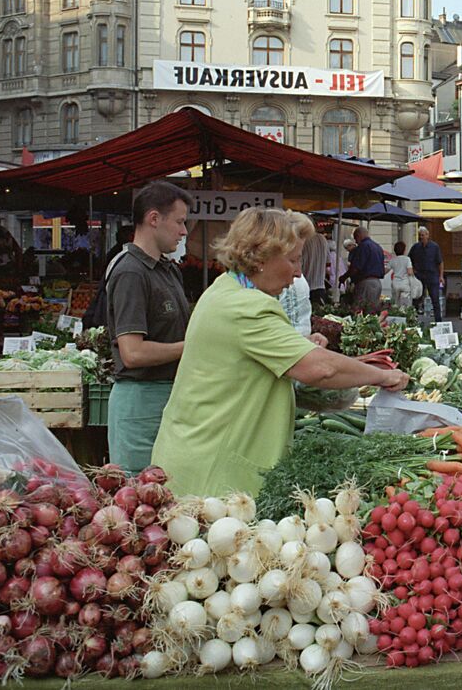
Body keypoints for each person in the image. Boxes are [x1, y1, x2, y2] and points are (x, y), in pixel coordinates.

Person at [153, 209, 408, 497]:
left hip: (196, 454)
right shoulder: (247, 308)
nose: (299, 271)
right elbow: (322, 369)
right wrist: (383, 375)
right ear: (261, 258)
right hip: (212, 471)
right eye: (294, 259)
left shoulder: (224, 289)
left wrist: (299, 347)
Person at [105, 182, 193, 472]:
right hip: (140, 403)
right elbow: (133, 353)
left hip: (169, 397)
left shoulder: (168, 270)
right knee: (140, 493)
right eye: (180, 222)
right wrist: (193, 346)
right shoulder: (131, 271)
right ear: (154, 219)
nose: (184, 231)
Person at [345, 226, 386, 311]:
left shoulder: (363, 247)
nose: (356, 241)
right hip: (377, 283)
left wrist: (344, 277)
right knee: (372, 311)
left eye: (355, 237)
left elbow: (356, 267)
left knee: (359, 311)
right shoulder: (378, 247)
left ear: (359, 235)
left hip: (365, 283)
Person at [409, 227, 444, 322]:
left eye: (423, 235)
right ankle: (413, 320)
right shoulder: (415, 247)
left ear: (428, 235)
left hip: (432, 275)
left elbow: (440, 262)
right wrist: (413, 270)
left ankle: (438, 321)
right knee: (416, 298)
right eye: (420, 235)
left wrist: (441, 276)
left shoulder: (434, 247)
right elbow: (409, 260)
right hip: (419, 276)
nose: (421, 237)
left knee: (435, 299)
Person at [301, 229, 329, 305]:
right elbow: (328, 263)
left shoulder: (302, 240)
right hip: (320, 286)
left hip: (304, 287)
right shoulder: (322, 239)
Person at [387, 241, 415, 311]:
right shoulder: (407, 259)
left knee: (396, 305)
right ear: (404, 250)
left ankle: (396, 318)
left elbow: (385, 271)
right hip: (405, 284)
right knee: (405, 306)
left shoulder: (392, 260)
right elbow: (409, 272)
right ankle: (405, 317)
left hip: (395, 283)